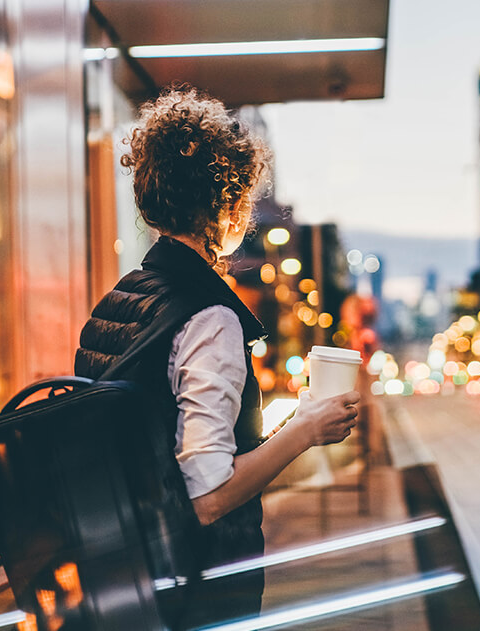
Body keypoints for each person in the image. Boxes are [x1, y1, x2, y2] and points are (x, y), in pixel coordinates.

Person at [74, 84, 361, 625]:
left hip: (122, 579)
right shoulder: (209, 317)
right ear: (227, 201)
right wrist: (305, 429)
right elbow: (209, 495)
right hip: (194, 591)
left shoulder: (119, 301)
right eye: (245, 198)